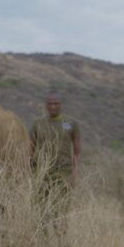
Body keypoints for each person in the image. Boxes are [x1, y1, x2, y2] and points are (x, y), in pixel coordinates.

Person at [30, 93, 82, 223]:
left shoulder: (71, 123)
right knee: (40, 211)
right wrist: (30, 170)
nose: (53, 107)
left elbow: (77, 152)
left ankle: (61, 242)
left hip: (64, 171)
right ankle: (43, 241)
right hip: (42, 172)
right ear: (45, 106)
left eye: (56, 104)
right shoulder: (38, 123)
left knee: (61, 210)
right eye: (50, 104)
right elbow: (30, 148)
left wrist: (75, 172)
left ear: (61, 105)